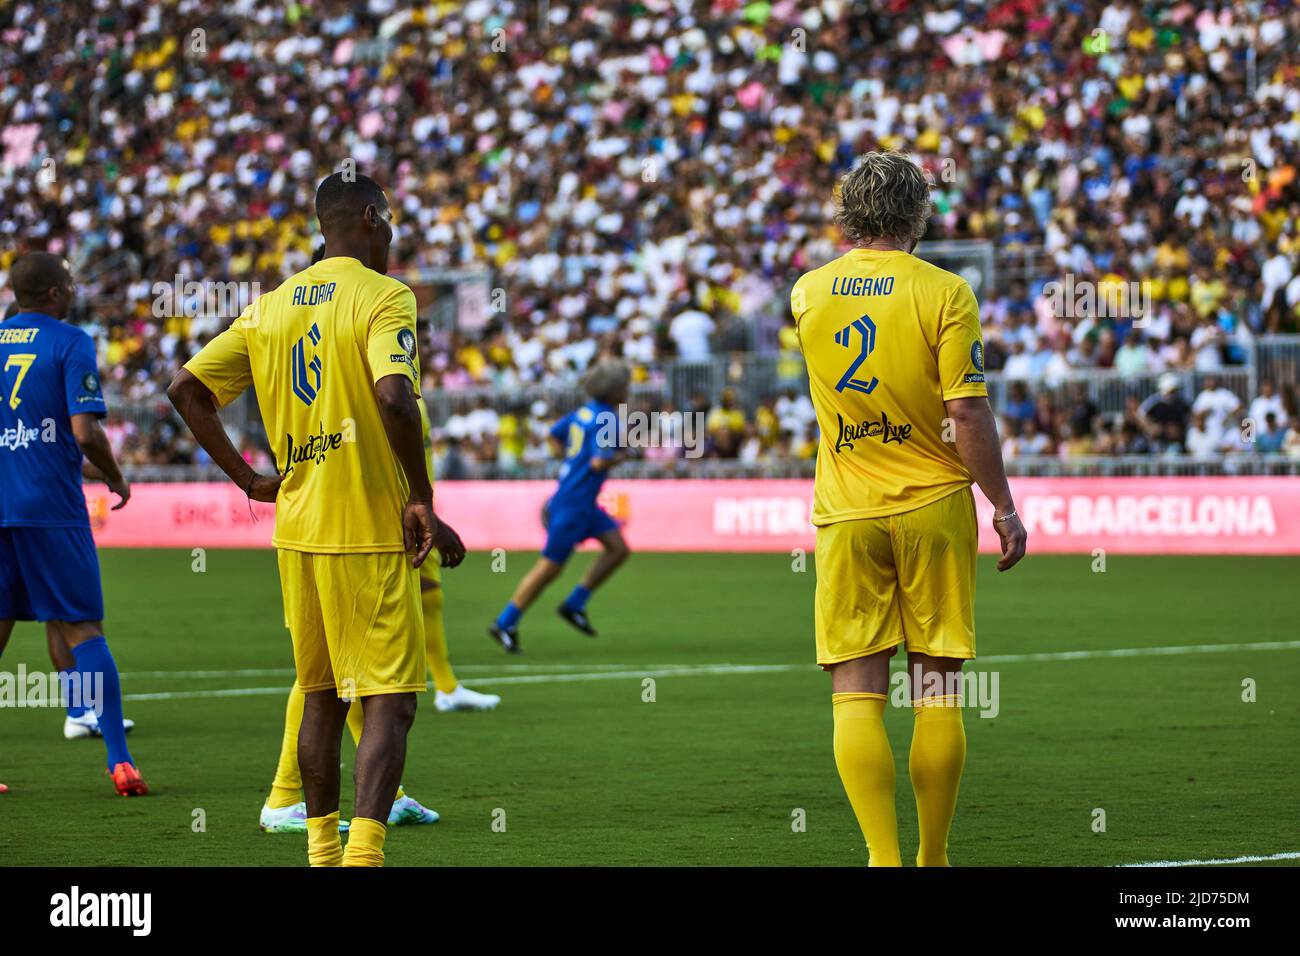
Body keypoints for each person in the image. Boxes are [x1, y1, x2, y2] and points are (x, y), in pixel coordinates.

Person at [168, 172, 466, 867]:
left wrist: (248, 479)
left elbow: (185, 387)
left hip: (297, 532)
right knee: (391, 703)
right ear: (369, 217)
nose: (391, 236)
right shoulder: (384, 296)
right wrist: (422, 498)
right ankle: (362, 861)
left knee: (321, 697)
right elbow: (395, 398)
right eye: (388, 222)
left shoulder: (269, 308)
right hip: (366, 528)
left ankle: (323, 857)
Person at [791, 151, 1026, 867]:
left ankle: (882, 860)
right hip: (933, 504)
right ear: (919, 212)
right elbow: (967, 412)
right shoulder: (945, 291)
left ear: (847, 213)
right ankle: (933, 859)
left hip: (848, 509)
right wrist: (1005, 507)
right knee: (936, 687)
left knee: (856, 691)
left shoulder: (808, 292)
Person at [0, 253, 146, 796]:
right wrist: (116, 477)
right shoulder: (70, 341)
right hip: (51, 511)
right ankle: (119, 760)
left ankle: (77, 714)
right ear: (58, 294)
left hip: (2, 505)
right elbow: (84, 434)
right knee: (83, 628)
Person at [489, 360, 632, 652]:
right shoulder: (607, 418)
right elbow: (599, 461)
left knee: (618, 548)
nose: (628, 389)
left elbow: (554, 434)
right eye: (625, 385)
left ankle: (575, 603)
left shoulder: (583, 413)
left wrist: (569, 459)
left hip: (578, 499)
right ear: (615, 389)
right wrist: (624, 455)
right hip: (575, 503)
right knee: (549, 568)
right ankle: (505, 621)